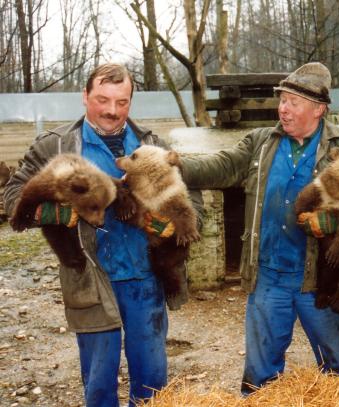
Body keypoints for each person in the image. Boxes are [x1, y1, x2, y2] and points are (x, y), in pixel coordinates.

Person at [180, 62, 339, 395]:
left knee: (334, 369)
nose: (283, 108)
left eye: (293, 102)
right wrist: (170, 166)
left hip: (319, 278)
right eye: (282, 100)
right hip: (269, 277)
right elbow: (218, 167)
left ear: (318, 109)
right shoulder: (262, 143)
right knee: (260, 376)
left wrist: (332, 221)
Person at [4, 63, 203, 406]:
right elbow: (12, 197)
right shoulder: (57, 145)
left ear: (130, 102)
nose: (112, 110)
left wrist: (176, 225)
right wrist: (56, 213)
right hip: (91, 279)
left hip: (144, 277)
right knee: (99, 380)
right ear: (85, 97)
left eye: (122, 102)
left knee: (153, 381)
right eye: (102, 99)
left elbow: (192, 197)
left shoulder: (151, 145)